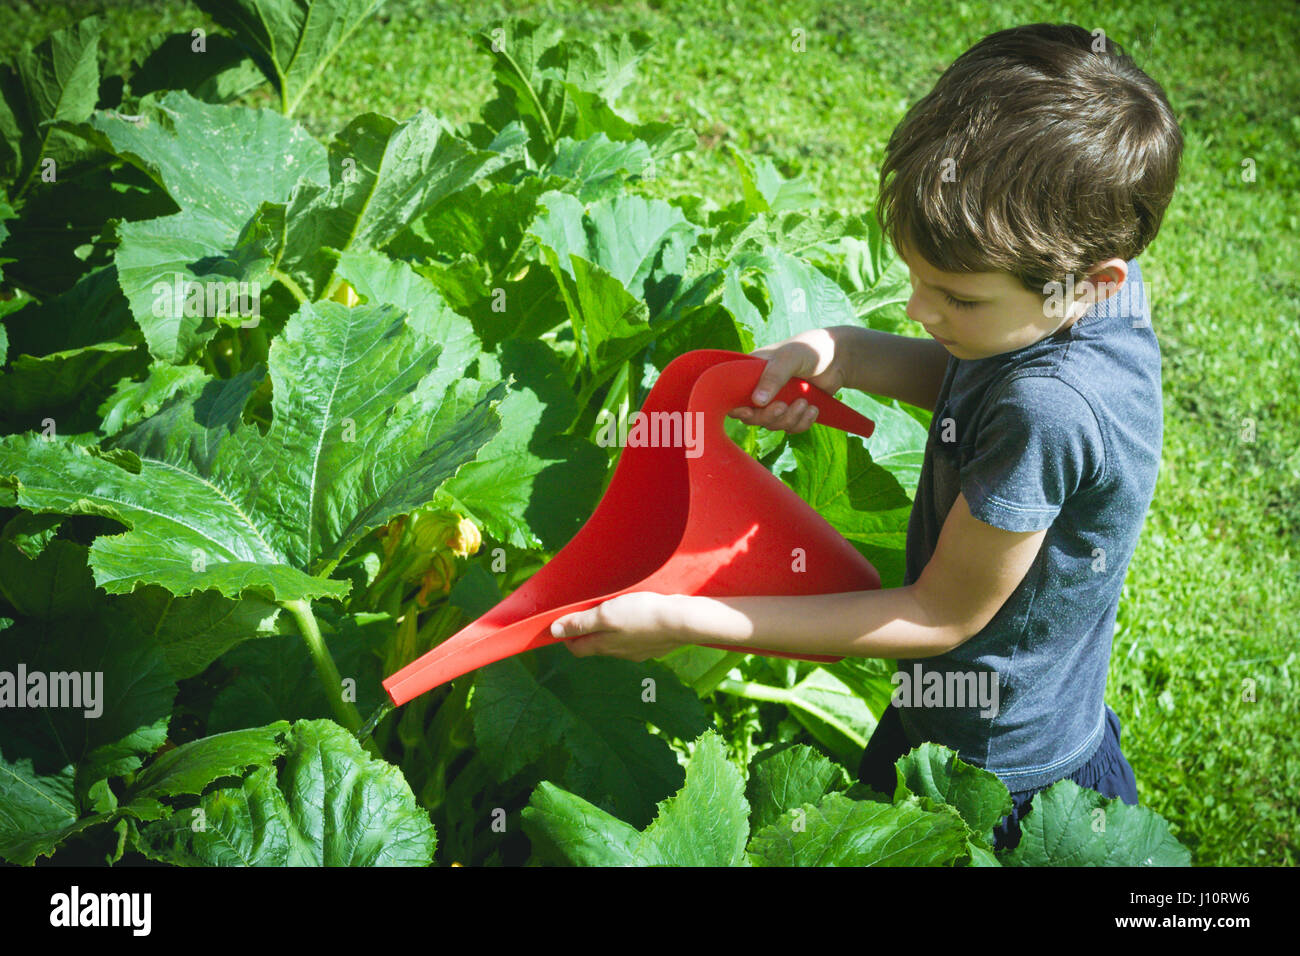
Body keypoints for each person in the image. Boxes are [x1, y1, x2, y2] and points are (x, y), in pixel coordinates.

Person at [549, 22, 1182, 851]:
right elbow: (978, 387)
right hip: (994, 711)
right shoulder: (1090, 294)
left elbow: (934, 617)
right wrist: (842, 352)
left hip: (991, 769)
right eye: (917, 279)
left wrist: (685, 619)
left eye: (955, 297)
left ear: (1088, 282)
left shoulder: (1053, 409)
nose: (921, 310)